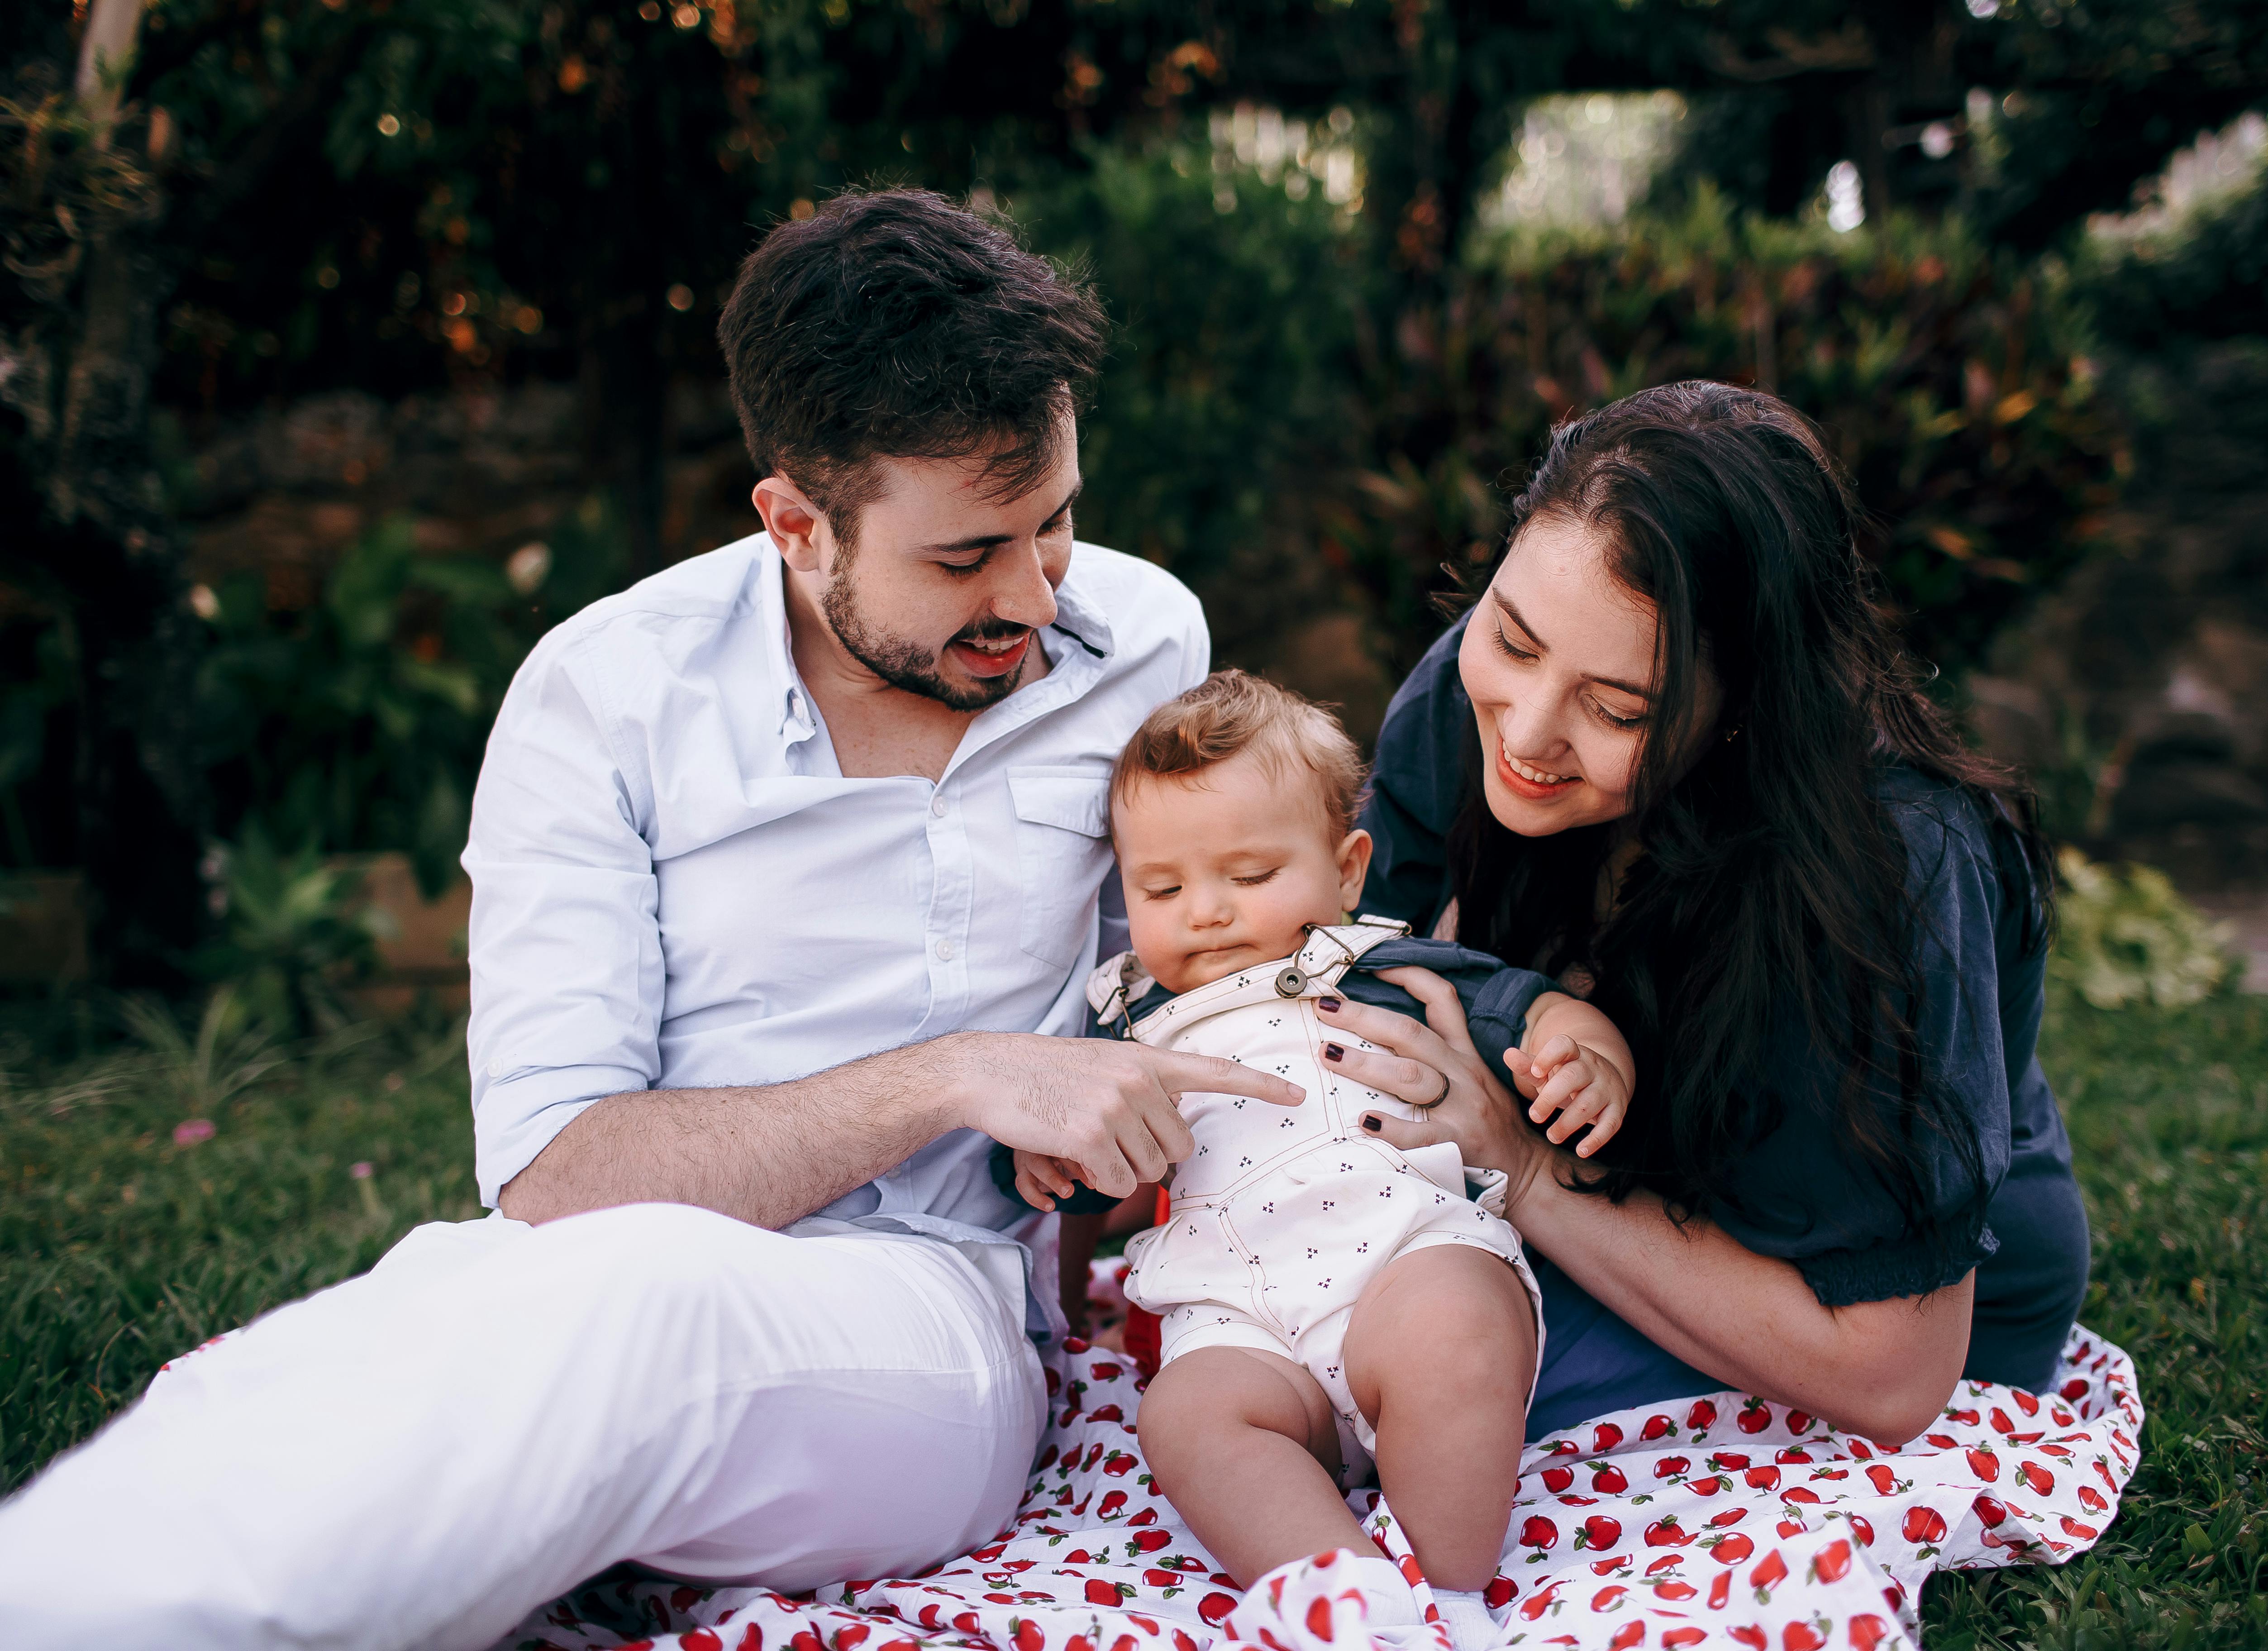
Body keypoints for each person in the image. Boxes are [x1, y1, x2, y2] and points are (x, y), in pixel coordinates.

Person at [0, 191, 1321, 1651]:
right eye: (963, 559)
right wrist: (955, 1071)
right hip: (600, 1255)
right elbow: (560, 1174)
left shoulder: (1143, 639)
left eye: (1055, 522)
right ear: (793, 522)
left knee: (638, 1322)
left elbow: (1200, 958)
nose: (1030, 591)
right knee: (350, 1350)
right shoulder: (603, 698)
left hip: (933, 1327)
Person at [1310, 381, 2091, 1452]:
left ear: (1745, 710)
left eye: (1620, 708)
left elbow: (1891, 1370)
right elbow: (1352, 974)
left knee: (1396, 1402)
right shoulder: (1472, 696)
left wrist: (1528, 1173)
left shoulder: (1893, 865)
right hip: (1614, 1207)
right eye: (1513, 638)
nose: (1528, 732)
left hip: (1848, 1319)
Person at [1004, 671, 1630, 1648]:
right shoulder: (1130, 1028)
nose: (1206, 911)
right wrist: (1057, 1164)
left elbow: (1538, 1003)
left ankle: (1447, 1586)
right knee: (1184, 1419)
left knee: (1455, 1329)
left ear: (1347, 870)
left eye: (1250, 876)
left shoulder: (1377, 967)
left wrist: (1583, 1055)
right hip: (1239, 1319)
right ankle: (1340, 1592)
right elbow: (1095, 1159)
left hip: (1399, 1259)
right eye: (1162, 889)